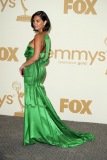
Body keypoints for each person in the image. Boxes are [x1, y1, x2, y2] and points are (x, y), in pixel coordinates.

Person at [19, 11, 94, 148]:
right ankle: (37, 131)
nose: (35, 23)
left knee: (33, 101)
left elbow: (35, 57)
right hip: (39, 70)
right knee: (37, 101)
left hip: (33, 70)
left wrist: (23, 65)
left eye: (38, 21)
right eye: (34, 21)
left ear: (44, 22)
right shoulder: (46, 36)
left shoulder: (38, 36)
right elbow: (42, 57)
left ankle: (39, 132)